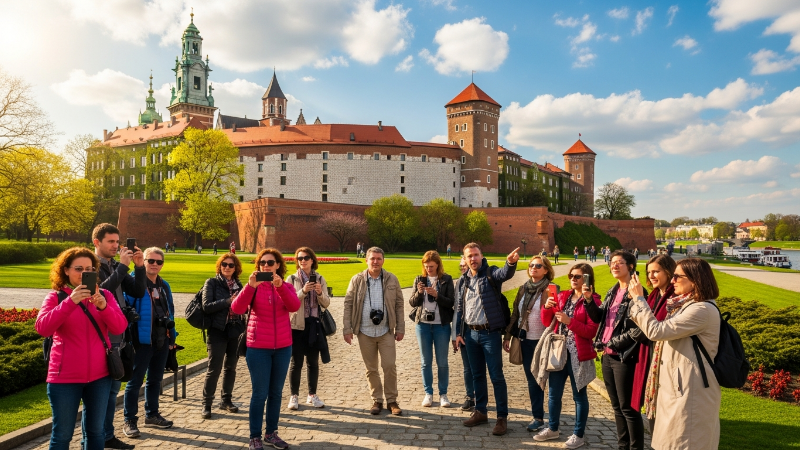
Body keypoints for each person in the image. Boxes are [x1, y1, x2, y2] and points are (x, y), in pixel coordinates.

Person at [36, 247, 128, 450]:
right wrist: (70, 302)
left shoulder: (104, 295)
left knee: (96, 432)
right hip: (64, 378)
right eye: (78, 268)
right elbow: (43, 328)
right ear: (66, 271)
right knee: (62, 435)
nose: (84, 273)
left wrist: (104, 307)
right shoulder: (57, 297)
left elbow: (120, 327)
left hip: (99, 377)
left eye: (89, 268)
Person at [627, 258, 722, 450]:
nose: (672, 281)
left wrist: (639, 299)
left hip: (690, 392)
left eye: (678, 276)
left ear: (695, 280)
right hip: (678, 388)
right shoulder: (683, 306)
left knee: (684, 443)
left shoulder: (701, 310)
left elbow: (656, 331)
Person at [231, 248, 300, 450]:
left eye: (270, 263)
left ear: (278, 265)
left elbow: (294, 306)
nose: (266, 266)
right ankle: (254, 436)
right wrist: (250, 287)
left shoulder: (286, 286)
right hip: (258, 347)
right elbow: (237, 309)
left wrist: (279, 287)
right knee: (259, 393)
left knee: (276, 393)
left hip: (283, 347)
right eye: (263, 263)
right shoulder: (253, 287)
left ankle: (271, 433)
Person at [584, 251, 647, 450]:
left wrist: (613, 343)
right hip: (608, 357)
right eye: (612, 263)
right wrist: (588, 300)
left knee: (629, 408)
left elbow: (639, 329)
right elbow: (599, 318)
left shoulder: (636, 292)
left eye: (620, 263)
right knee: (617, 407)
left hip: (624, 356)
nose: (614, 266)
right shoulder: (613, 291)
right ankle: (623, 446)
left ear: (630, 267)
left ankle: (635, 447)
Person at [454, 243, 519, 436]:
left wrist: (510, 263)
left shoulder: (490, 273)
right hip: (470, 335)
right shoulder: (464, 279)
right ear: (464, 259)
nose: (473, 259)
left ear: (481, 256)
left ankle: (501, 418)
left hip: (489, 333)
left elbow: (504, 274)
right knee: (477, 376)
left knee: (496, 376)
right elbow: (459, 308)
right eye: (469, 256)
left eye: (475, 255)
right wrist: (458, 333)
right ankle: (480, 411)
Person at [534, 263, 601, 449]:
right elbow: (547, 322)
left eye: (578, 276)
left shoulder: (593, 301)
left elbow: (590, 332)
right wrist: (547, 307)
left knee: (579, 396)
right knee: (553, 394)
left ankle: (578, 434)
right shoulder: (563, 296)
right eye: (571, 275)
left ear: (587, 278)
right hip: (558, 350)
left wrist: (570, 321)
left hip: (578, 354)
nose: (573, 279)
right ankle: (553, 428)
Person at [92, 223, 144, 450]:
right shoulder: (89, 265)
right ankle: (99, 436)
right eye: (110, 241)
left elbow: (138, 291)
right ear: (97, 242)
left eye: (117, 241)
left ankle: (107, 435)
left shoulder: (115, 265)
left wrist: (139, 267)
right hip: (101, 334)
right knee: (104, 391)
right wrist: (123, 267)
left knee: (114, 389)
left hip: (120, 333)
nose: (116, 245)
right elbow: (101, 291)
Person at [342, 247, 405, 416]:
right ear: (366, 260)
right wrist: (347, 329)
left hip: (386, 331)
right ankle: (377, 400)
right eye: (372, 259)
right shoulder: (357, 280)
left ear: (383, 260)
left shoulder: (392, 279)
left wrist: (400, 328)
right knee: (371, 368)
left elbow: (399, 304)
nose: (375, 261)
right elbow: (348, 304)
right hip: (364, 331)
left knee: (389, 366)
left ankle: (392, 400)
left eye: (378, 258)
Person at [122, 248, 177, 438]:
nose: (154, 264)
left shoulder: (164, 285)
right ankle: (130, 420)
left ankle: (152, 414)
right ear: (142, 261)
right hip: (141, 339)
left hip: (161, 338)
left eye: (159, 262)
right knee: (135, 381)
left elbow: (170, 310)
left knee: (155, 380)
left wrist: (172, 337)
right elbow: (125, 308)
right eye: (150, 260)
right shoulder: (132, 283)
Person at [502, 255, 553, 432]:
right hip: (526, 340)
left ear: (546, 269)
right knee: (532, 380)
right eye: (531, 265)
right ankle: (538, 417)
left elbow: (554, 315)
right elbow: (515, 313)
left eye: (538, 265)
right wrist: (508, 335)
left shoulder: (550, 289)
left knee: (550, 380)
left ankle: (553, 420)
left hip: (544, 340)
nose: (534, 268)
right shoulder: (524, 288)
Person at [625, 254, 676, 426]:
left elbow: (655, 328)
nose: (651, 276)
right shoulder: (654, 295)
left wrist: (639, 301)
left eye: (656, 271)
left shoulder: (673, 298)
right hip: (649, 356)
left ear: (669, 272)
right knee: (652, 417)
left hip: (664, 360)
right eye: (649, 272)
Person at [200, 253, 246, 418]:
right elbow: (206, 306)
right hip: (218, 330)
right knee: (214, 368)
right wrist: (228, 301)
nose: (227, 267)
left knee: (231, 367)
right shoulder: (212, 283)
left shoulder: (239, 284)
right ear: (219, 266)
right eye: (224, 264)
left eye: (231, 265)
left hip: (235, 330)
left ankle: (226, 400)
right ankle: (207, 403)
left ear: (236, 268)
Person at [409, 251, 455, 408]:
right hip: (422, 325)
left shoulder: (446, 280)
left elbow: (451, 303)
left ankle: (443, 394)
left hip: (441, 326)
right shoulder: (419, 279)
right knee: (425, 362)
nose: (429, 269)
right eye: (426, 266)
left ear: (438, 265)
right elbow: (412, 302)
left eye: (432, 267)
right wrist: (420, 292)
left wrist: (436, 295)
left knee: (442, 362)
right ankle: (428, 393)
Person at [287, 247, 331, 410]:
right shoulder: (291, 279)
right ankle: (294, 396)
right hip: (296, 326)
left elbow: (326, 303)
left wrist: (320, 293)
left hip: (314, 325)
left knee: (313, 362)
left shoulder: (320, 278)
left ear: (312, 260)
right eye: (299, 258)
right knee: (296, 362)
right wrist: (303, 291)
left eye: (306, 258)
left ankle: (312, 395)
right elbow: (288, 302)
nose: (302, 261)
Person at [451, 257, 475, 412]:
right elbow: (457, 311)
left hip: (481, 330)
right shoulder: (460, 281)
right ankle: (470, 397)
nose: (463, 269)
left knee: (479, 367)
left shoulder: (484, 279)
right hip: (464, 331)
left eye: (464, 266)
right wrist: (455, 334)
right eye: (461, 267)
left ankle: (480, 397)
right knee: (467, 367)